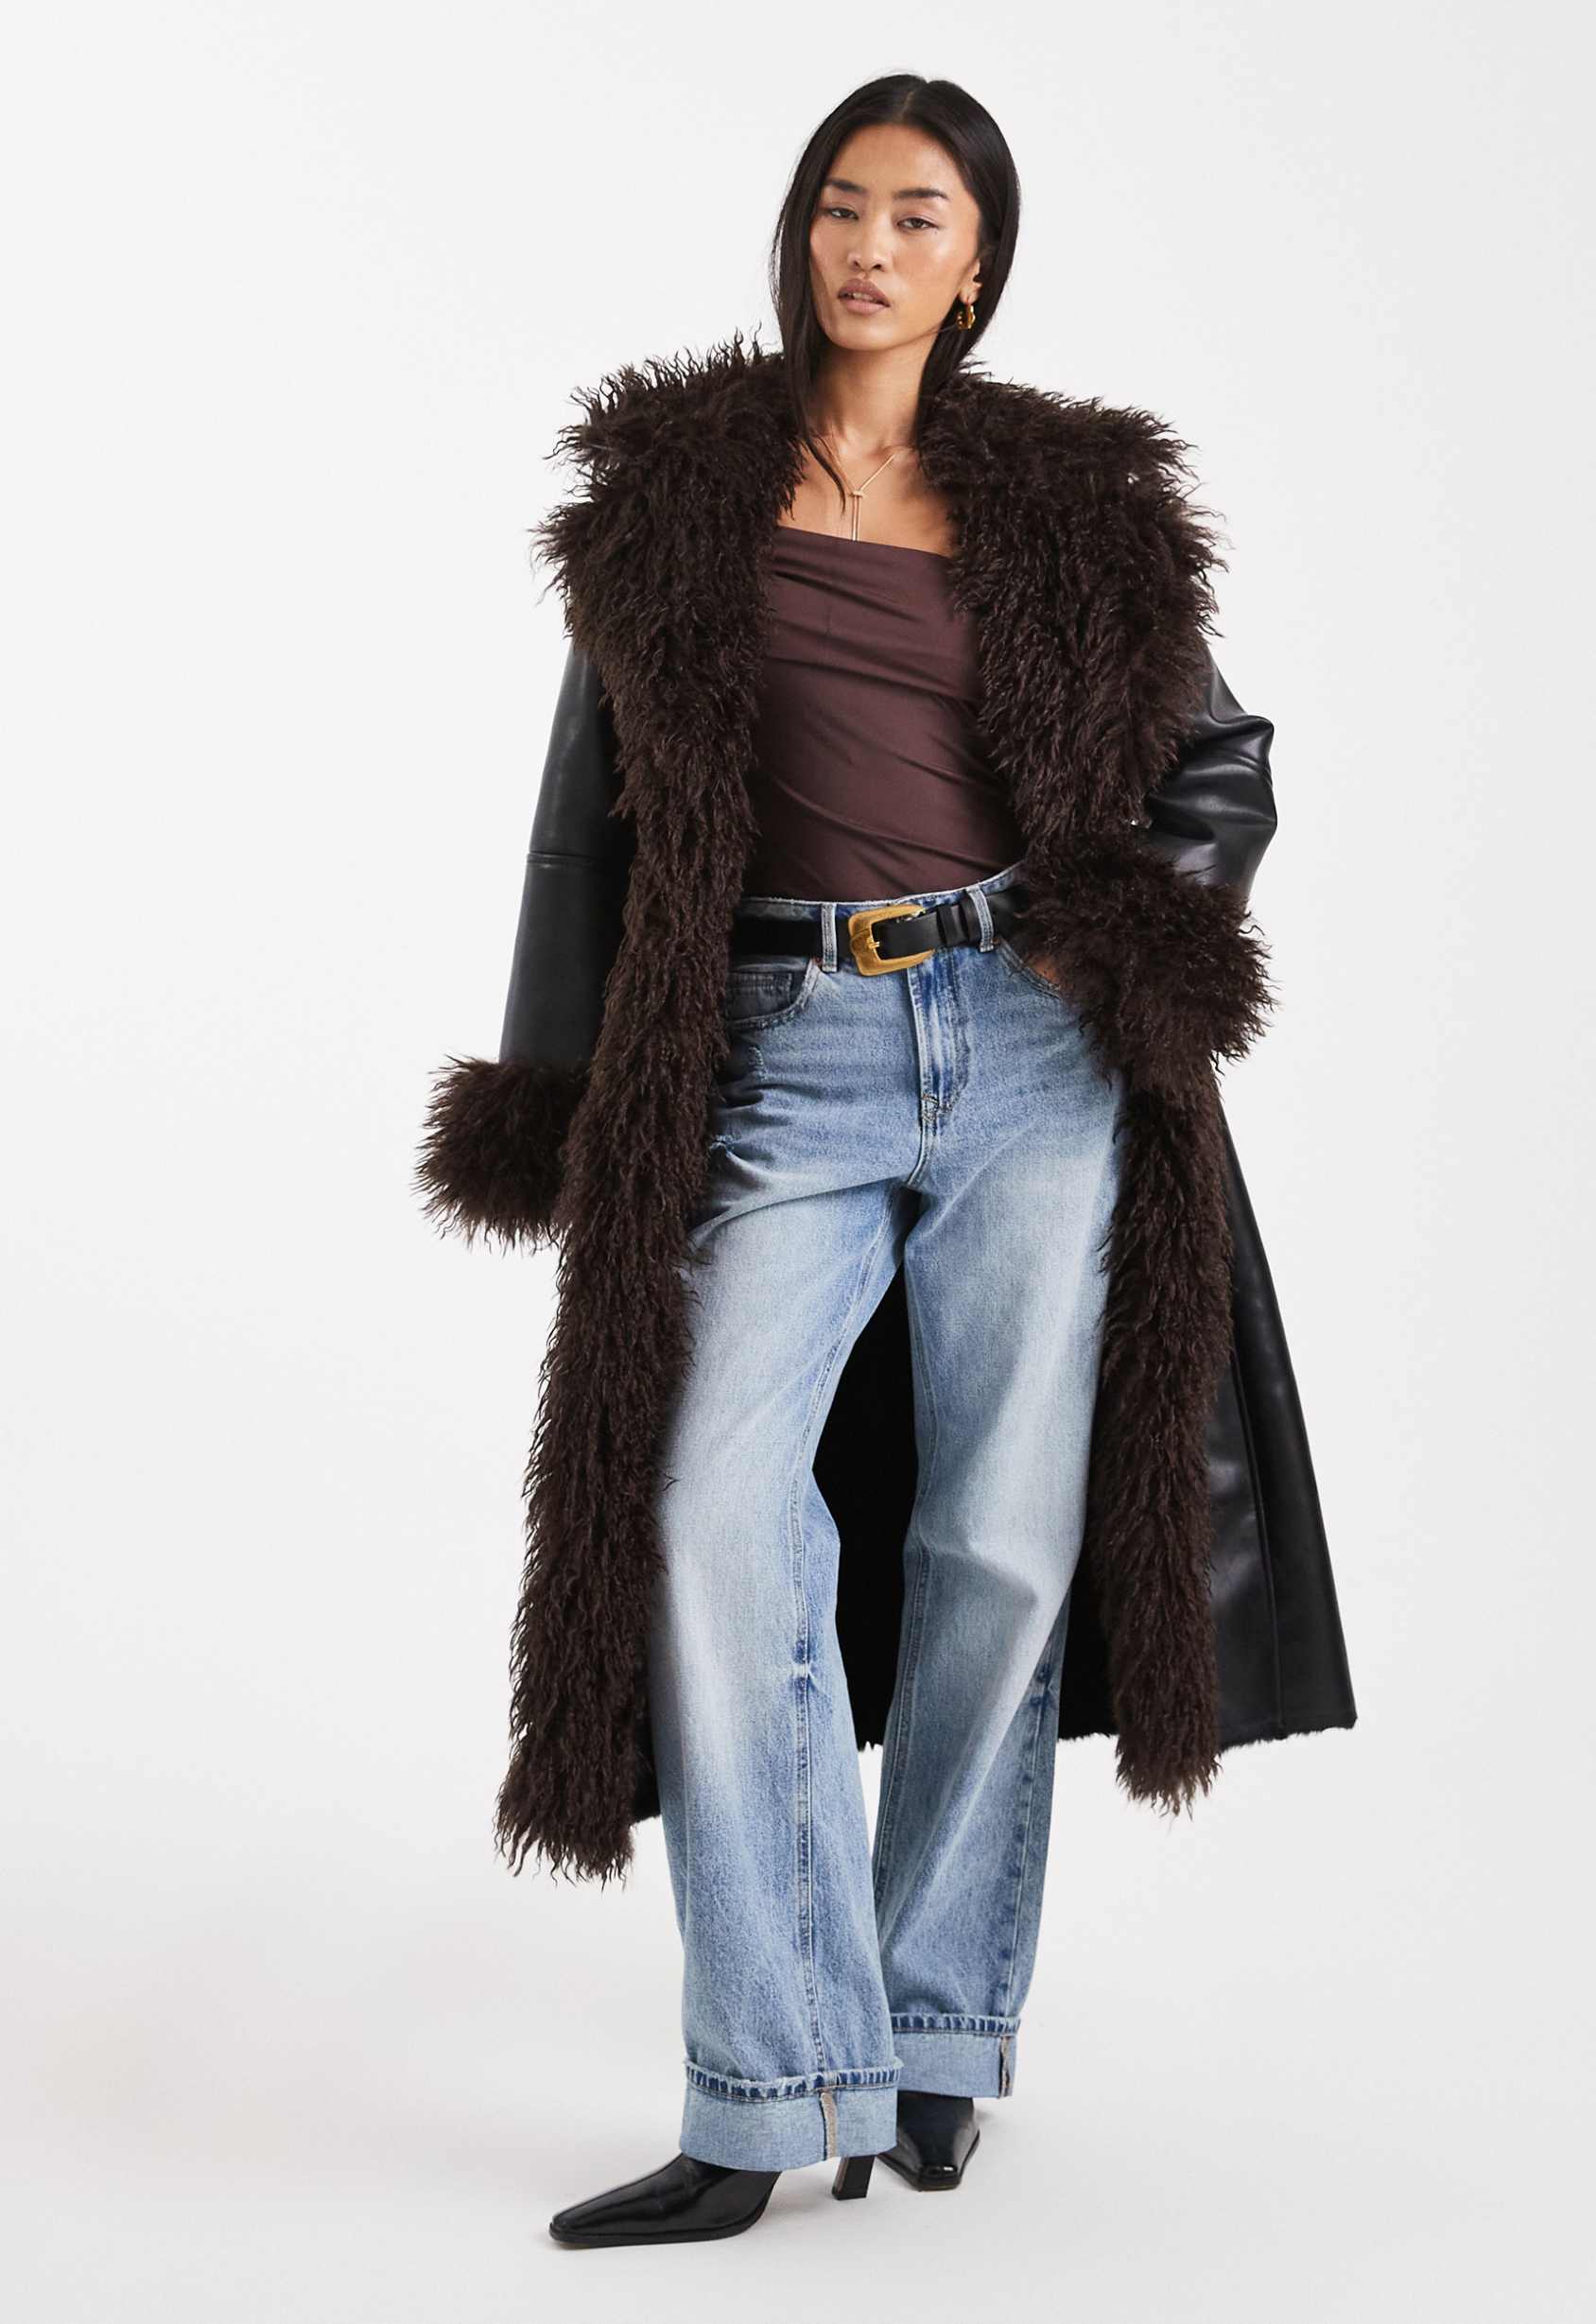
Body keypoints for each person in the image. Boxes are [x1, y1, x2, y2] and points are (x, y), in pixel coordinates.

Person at [416, 74, 1355, 2250]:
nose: (869, 245)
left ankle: (932, 2035)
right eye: (844, 204)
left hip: (1032, 1045)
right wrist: (558, 1087)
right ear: (802, 229)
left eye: (917, 214)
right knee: (708, 1517)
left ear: (977, 261)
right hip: (782, 1046)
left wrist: (1128, 935)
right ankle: (770, 2078)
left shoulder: (1069, 506)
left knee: (1001, 1547)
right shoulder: (678, 492)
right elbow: (586, 833)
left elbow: (1221, 758)